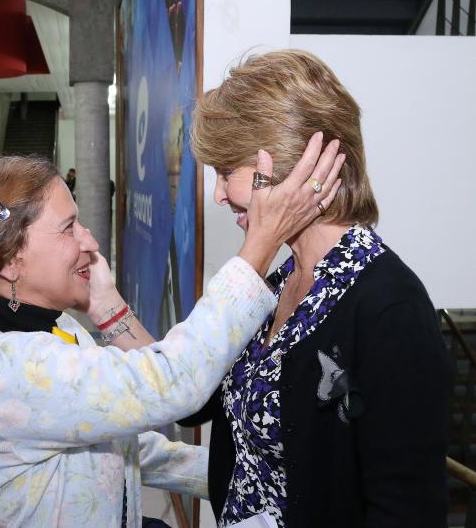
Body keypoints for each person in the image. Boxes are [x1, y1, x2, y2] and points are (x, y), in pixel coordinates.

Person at [0, 147, 341, 527]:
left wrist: (244, 475)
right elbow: (175, 380)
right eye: (69, 228)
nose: (89, 240)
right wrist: (260, 244)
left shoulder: (54, 328)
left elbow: (121, 445)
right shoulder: (2, 371)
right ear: (10, 260)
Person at [179, 49, 449, 527]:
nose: (219, 194)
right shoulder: (276, 282)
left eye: (226, 173)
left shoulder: (390, 305)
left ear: (290, 163)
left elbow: (405, 505)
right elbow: (193, 399)